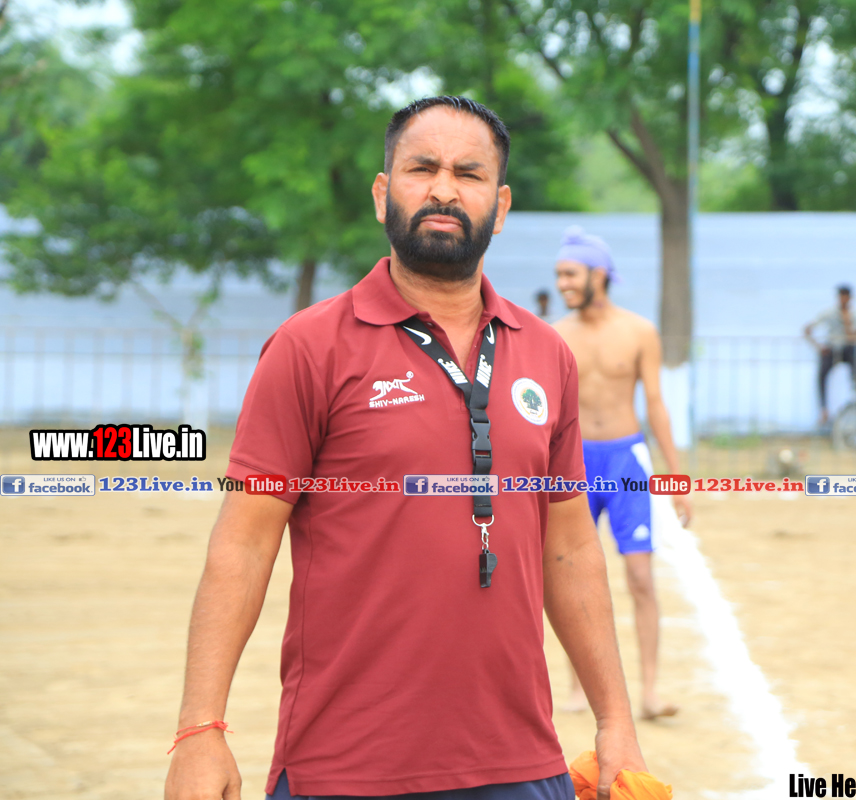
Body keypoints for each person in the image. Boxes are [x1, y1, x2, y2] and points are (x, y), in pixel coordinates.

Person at [164, 96, 646, 800]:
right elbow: (243, 541)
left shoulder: (547, 354)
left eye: (469, 173)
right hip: (346, 766)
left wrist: (615, 721)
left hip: (522, 764)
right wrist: (199, 729)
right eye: (423, 168)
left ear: (500, 206)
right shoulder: (309, 346)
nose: (445, 189)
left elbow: (569, 545)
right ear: (382, 194)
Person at [552, 225, 690, 721]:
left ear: (599, 274)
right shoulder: (555, 335)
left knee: (639, 577)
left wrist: (677, 479)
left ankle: (650, 692)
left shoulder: (638, 331)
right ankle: (577, 690)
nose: (563, 283)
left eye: (571, 274)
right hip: (573, 463)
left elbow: (656, 404)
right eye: (559, 274)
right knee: (570, 577)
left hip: (627, 460)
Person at [803, 285, 856, 426]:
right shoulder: (829, 313)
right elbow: (807, 329)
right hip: (831, 349)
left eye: (846, 297)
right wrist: (818, 346)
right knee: (822, 376)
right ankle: (824, 410)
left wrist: (847, 322)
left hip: (849, 349)